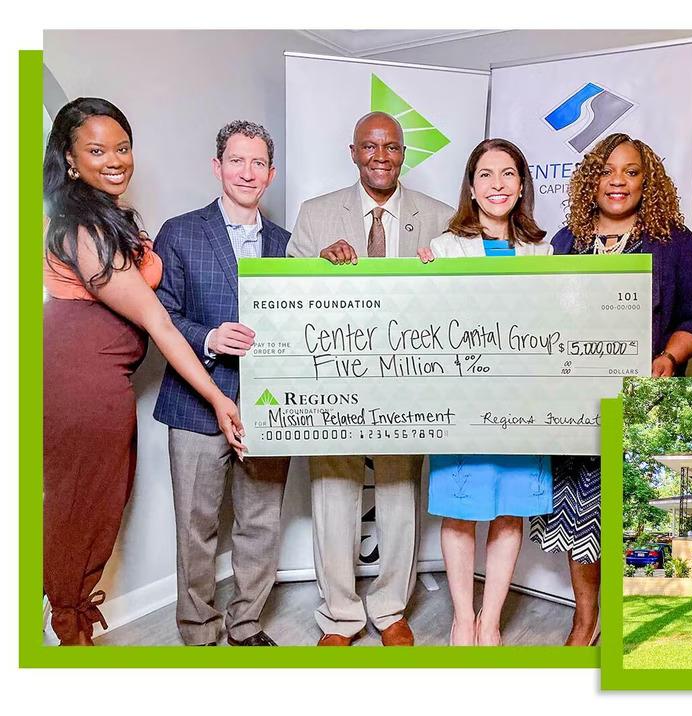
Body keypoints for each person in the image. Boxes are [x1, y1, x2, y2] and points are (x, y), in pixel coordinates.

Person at [42, 97, 244, 646]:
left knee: (96, 502)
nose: (115, 160)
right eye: (97, 149)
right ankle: (69, 631)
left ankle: (69, 620)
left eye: (123, 147)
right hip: (80, 381)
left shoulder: (107, 216)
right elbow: (159, 322)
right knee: (83, 507)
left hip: (101, 379)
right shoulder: (84, 227)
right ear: (69, 157)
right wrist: (219, 399)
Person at [287, 111, 454, 646]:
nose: (382, 157)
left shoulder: (440, 217)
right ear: (353, 151)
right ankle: (339, 614)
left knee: (401, 492)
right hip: (334, 382)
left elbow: (461, 302)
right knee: (332, 491)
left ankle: (390, 609)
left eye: (393, 147)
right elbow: (290, 300)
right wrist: (318, 264)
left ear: (405, 154)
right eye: (370, 147)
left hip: (409, 382)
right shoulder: (315, 216)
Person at [537, 133, 692, 645]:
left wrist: (669, 357)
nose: (618, 181)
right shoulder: (566, 241)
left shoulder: (673, 242)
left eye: (631, 172)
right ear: (592, 178)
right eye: (608, 170)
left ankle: (634, 622)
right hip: (575, 406)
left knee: (635, 513)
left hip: (644, 403)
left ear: (646, 180)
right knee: (580, 517)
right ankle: (585, 620)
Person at [152, 121, 292, 646]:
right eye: (237, 160)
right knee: (196, 525)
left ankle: (247, 623)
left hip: (269, 405)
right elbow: (160, 317)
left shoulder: (286, 244)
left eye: (258, 163)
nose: (247, 172)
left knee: (260, 522)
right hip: (194, 403)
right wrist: (209, 336)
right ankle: (198, 629)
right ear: (217, 167)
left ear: (271, 174)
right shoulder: (180, 232)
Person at [417, 138, 552, 645]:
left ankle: (490, 619)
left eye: (508, 174)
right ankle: (461, 618)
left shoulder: (544, 251)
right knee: (461, 507)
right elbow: (423, 322)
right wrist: (420, 276)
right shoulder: (444, 248)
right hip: (462, 401)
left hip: (522, 401)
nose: (498, 184)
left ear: (521, 187)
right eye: (487, 175)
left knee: (508, 508)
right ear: (471, 188)